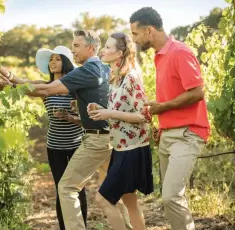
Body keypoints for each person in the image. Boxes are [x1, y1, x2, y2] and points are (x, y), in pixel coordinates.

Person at [129, 7, 210, 230]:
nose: (134, 40)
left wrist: (163, 107)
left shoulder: (179, 52)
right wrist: (162, 123)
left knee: (171, 196)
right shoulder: (159, 56)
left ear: (150, 30)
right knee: (172, 199)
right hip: (169, 134)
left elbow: (197, 92)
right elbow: (174, 96)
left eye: (135, 34)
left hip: (187, 134)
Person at [0, 46, 88, 229]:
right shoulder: (45, 88)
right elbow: (20, 81)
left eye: (57, 59)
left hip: (77, 145)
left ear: (66, 62)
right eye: (51, 60)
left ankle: (82, 225)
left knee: (76, 188)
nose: (53, 62)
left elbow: (89, 120)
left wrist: (71, 118)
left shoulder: (77, 87)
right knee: (61, 189)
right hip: (55, 147)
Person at [88, 32, 153, 230]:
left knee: (103, 199)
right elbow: (118, 111)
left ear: (120, 53)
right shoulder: (115, 79)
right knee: (130, 202)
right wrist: (100, 110)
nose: (103, 50)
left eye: (108, 47)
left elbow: (144, 116)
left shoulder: (131, 77)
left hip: (133, 150)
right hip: (121, 148)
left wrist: (110, 112)